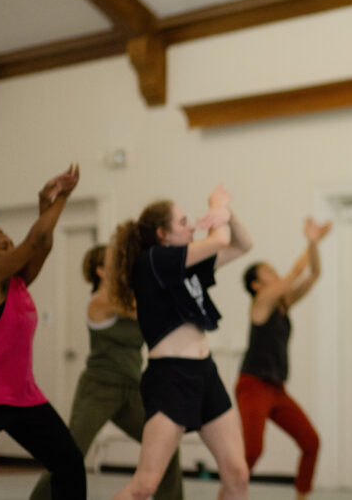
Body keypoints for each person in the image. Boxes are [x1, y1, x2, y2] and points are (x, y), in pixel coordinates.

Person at [108, 186, 253, 500]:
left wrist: (229, 215)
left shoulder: (187, 265)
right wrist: (217, 207)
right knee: (145, 485)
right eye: (183, 222)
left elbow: (242, 245)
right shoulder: (154, 261)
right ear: (162, 233)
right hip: (171, 378)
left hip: (205, 373)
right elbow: (219, 239)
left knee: (238, 475)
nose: (190, 226)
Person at [30, 244, 183, 500]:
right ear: (100, 270)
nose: (125, 267)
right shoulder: (102, 301)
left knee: (165, 445)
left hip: (133, 387)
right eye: (117, 263)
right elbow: (143, 309)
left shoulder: (130, 295)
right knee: (70, 453)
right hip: (99, 388)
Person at [0, 165, 86, 500]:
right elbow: (36, 240)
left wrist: (47, 204)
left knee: (69, 463)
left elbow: (41, 245)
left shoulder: (18, 283)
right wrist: (64, 199)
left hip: (22, 396)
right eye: (4, 245)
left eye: (13, 242)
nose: (13, 248)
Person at [237, 217, 332, 500]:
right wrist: (311, 241)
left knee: (311, 442)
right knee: (252, 452)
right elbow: (294, 273)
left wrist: (313, 243)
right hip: (252, 385)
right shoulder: (262, 302)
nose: (274, 272)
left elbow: (313, 273)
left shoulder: (283, 303)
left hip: (276, 389)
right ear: (256, 285)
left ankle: (301, 497)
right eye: (267, 272)